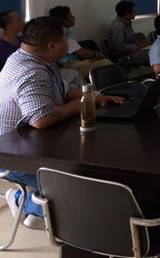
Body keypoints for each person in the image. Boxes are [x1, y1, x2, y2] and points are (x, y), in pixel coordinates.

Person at [0, 17, 123, 230]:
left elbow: (65, 90)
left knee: (92, 178)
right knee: (85, 191)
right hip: (15, 158)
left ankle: (40, 201)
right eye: (66, 38)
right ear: (52, 45)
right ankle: (23, 201)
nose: (69, 44)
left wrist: (94, 97)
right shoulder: (31, 71)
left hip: (33, 144)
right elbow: (41, 119)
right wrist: (76, 107)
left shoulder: (36, 59)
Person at [49, 5, 112, 77]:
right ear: (63, 20)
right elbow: (81, 53)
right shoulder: (63, 31)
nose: (73, 17)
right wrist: (95, 54)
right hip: (70, 65)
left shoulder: (57, 30)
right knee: (107, 63)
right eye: (70, 15)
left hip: (70, 63)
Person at [107, 1, 148, 66]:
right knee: (154, 53)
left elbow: (129, 40)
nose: (135, 13)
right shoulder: (118, 26)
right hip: (124, 57)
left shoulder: (126, 23)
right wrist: (137, 47)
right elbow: (118, 46)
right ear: (126, 14)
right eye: (134, 12)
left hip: (131, 53)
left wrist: (137, 43)